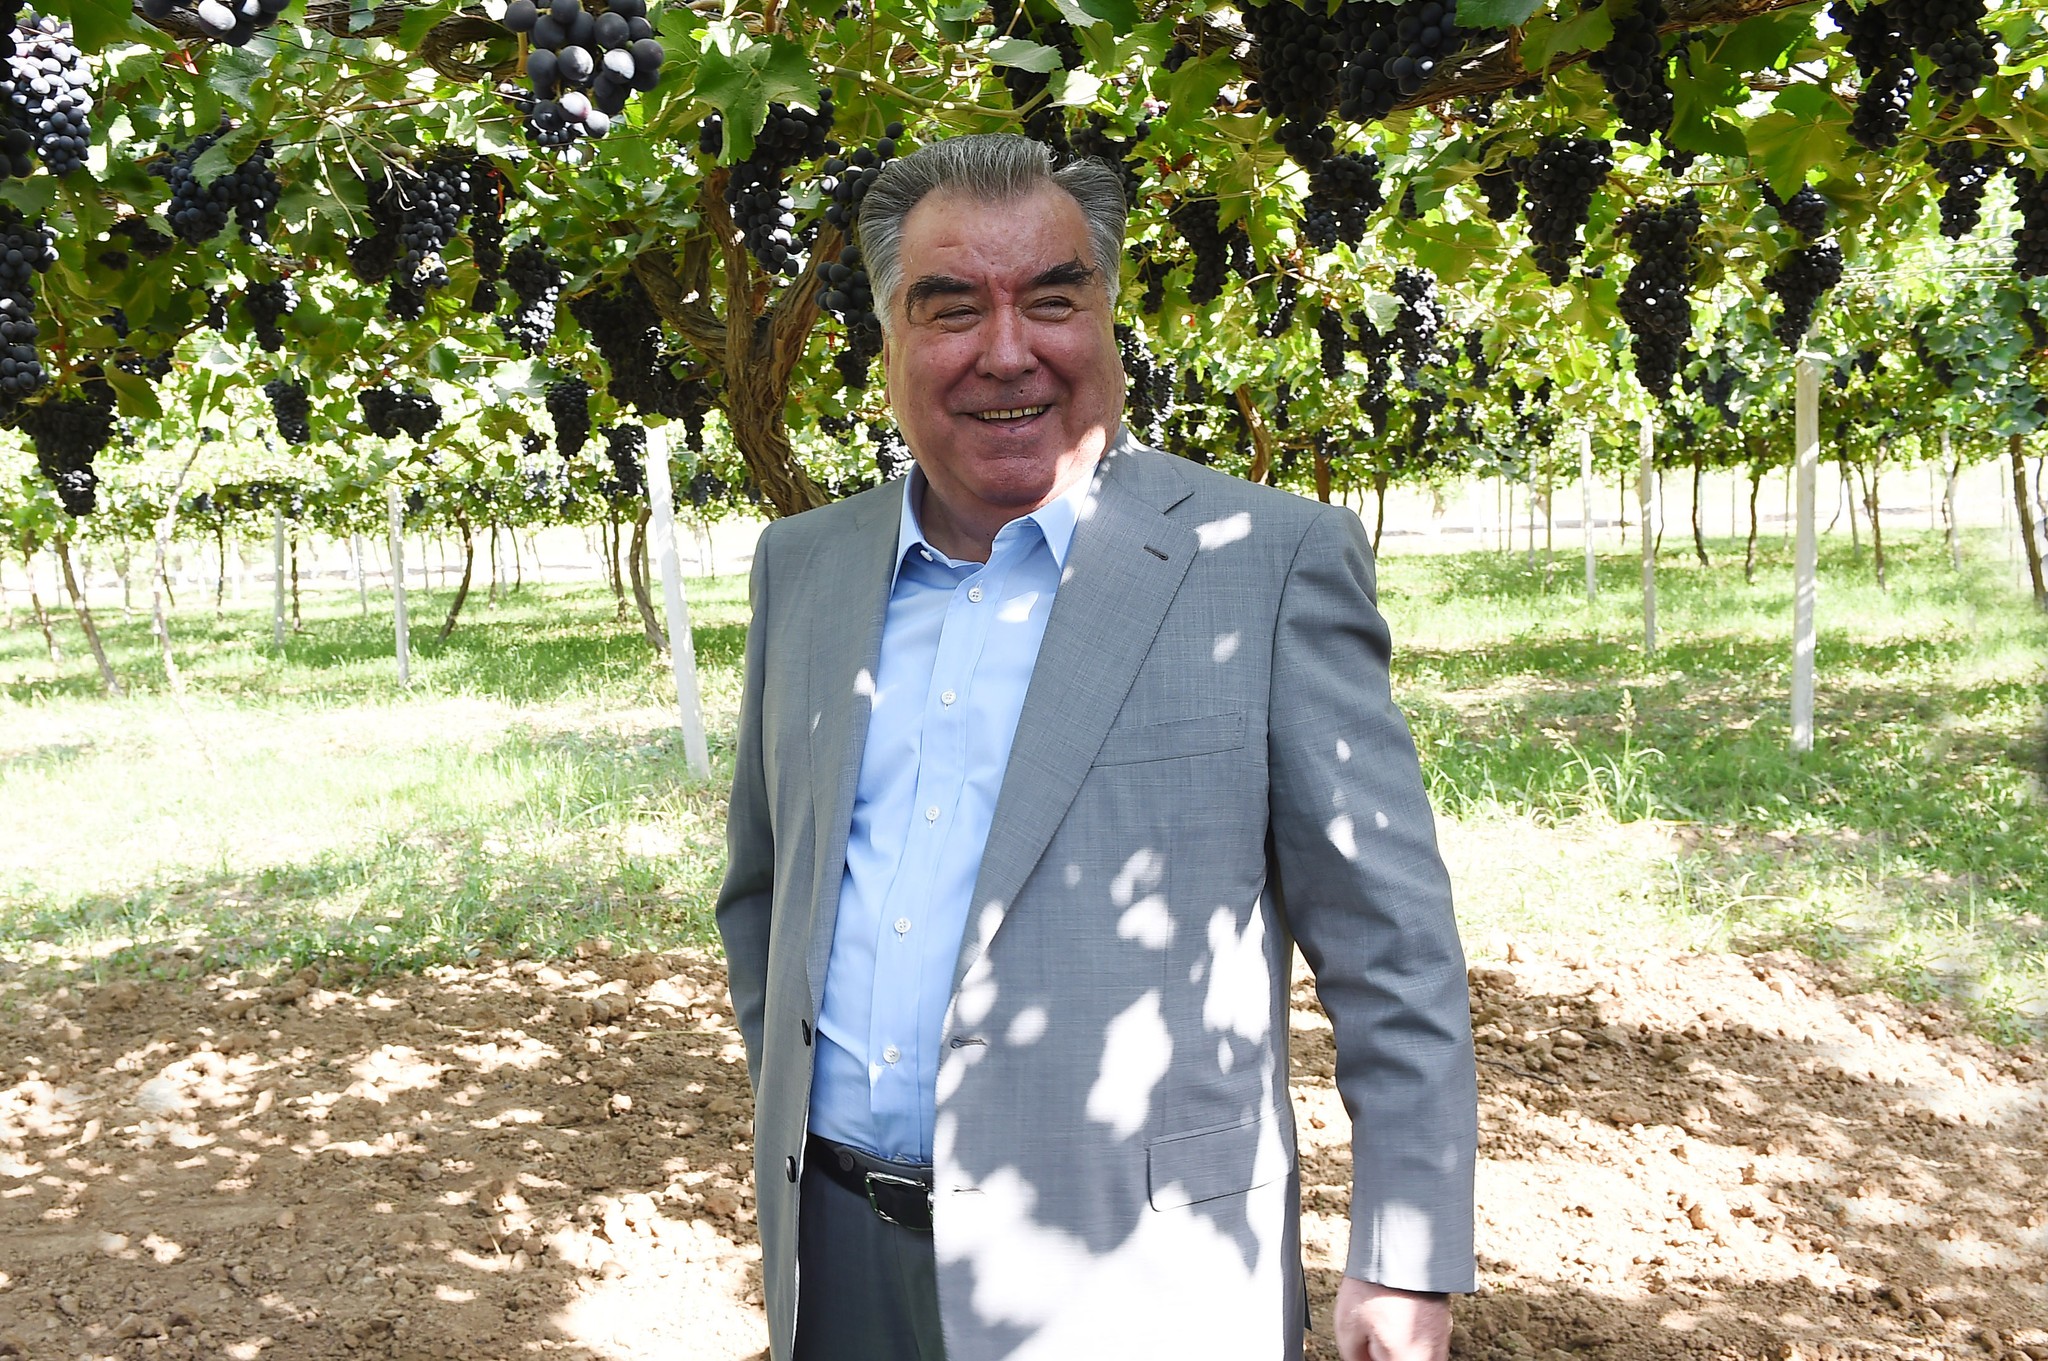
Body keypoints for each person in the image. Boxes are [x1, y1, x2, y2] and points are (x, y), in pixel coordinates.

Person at [716, 132, 1476, 1361]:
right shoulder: (801, 569)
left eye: (1052, 299)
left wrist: (1404, 1252)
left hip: (1137, 1275)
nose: (1006, 350)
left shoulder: (1264, 563)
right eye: (950, 307)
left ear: (1107, 319)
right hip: (839, 1255)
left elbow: (1390, 948)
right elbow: (765, 895)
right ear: (888, 337)